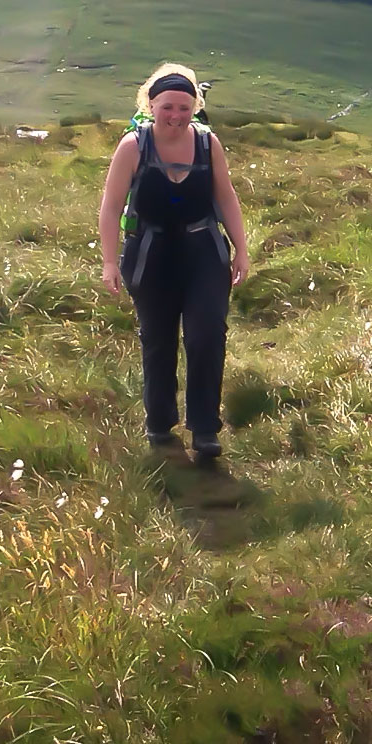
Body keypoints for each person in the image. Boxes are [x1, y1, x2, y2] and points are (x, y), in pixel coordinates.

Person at [97, 62, 251, 463]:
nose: (176, 116)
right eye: (167, 106)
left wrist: (242, 249)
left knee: (206, 335)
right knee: (158, 339)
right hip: (150, 254)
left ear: (195, 108)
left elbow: (227, 197)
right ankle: (160, 424)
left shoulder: (207, 143)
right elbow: (111, 207)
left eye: (184, 108)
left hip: (204, 252)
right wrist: (110, 263)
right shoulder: (133, 146)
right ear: (151, 105)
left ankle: (204, 429)